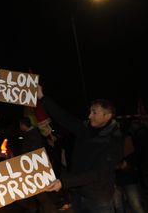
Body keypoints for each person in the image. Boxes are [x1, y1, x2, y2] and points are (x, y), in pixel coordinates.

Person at [38, 85, 124, 213]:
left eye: (94, 112)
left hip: (98, 198)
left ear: (107, 116)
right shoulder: (85, 129)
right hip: (79, 193)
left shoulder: (114, 140)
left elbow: (97, 173)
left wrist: (63, 182)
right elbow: (64, 118)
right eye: (90, 111)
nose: (89, 116)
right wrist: (42, 97)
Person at [15, 117, 58, 213]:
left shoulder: (32, 134)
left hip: (35, 167)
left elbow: (33, 152)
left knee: (41, 193)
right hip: (33, 167)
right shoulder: (32, 133)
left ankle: (49, 210)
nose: (19, 127)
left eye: (20, 125)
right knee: (39, 193)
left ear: (23, 124)